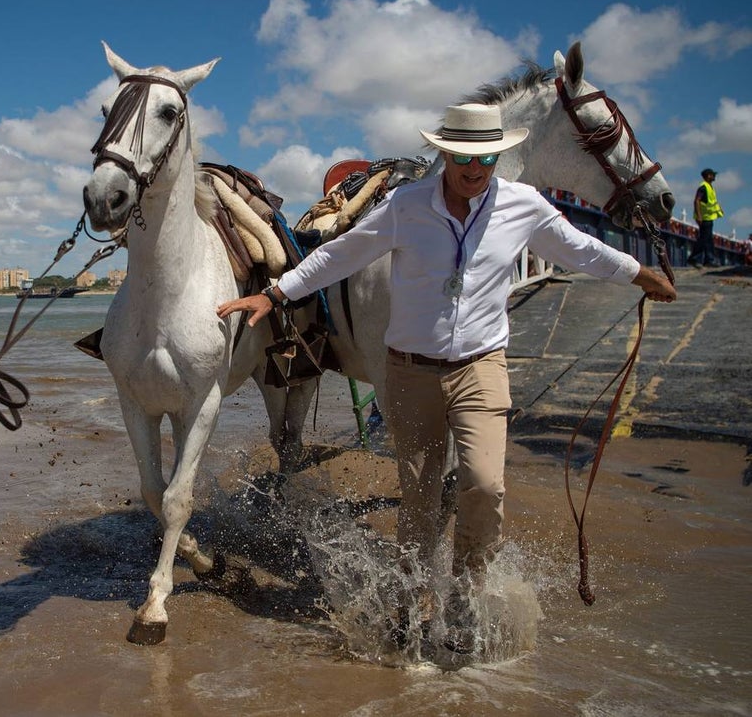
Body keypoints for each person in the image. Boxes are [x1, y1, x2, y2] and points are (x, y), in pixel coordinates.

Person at [216, 103, 676, 654]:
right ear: (447, 154)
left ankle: (463, 595)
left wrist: (639, 274)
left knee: (484, 484)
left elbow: (580, 249)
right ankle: (411, 604)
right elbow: (341, 254)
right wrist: (274, 294)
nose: (474, 168)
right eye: (464, 157)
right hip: (411, 372)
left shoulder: (522, 206)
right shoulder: (405, 205)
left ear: (497, 157)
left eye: (486, 158)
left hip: (480, 368)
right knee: (420, 497)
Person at [689, 168, 723, 267]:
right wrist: (699, 216)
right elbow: (697, 201)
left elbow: (711, 202)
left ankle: (709, 260)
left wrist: (719, 209)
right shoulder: (703, 187)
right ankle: (694, 258)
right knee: (704, 239)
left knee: (708, 239)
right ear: (708, 176)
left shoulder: (709, 187)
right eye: (713, 174)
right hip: (704, 217)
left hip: (708, 217)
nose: (714, 176)